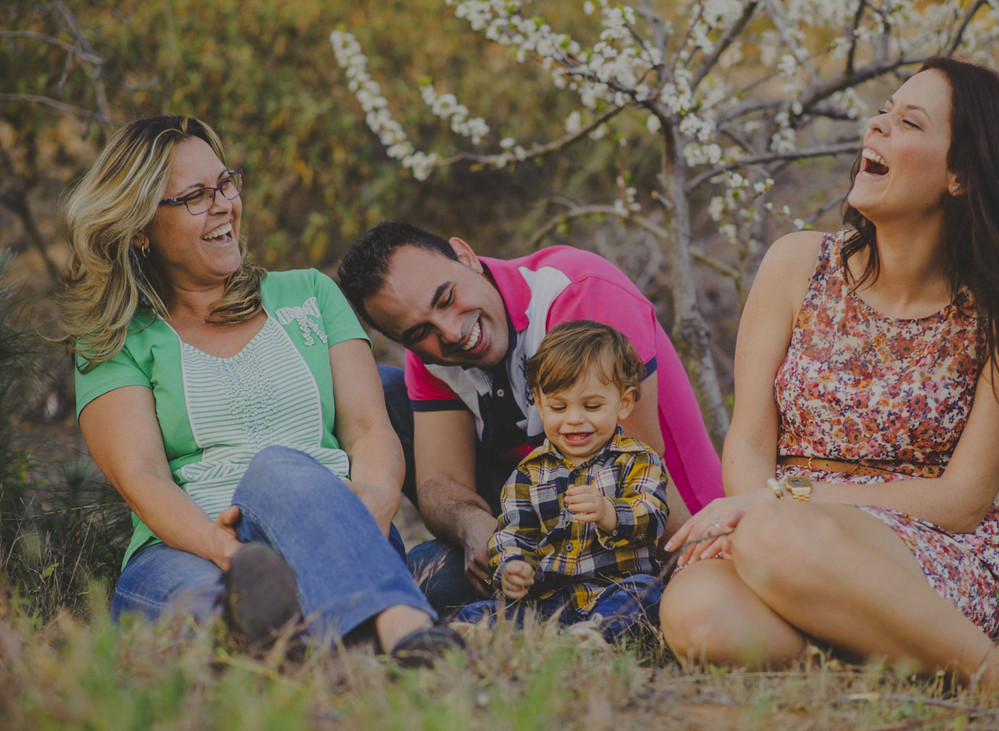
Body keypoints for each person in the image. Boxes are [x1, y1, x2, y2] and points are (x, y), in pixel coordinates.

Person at [658, 56, 999, 688]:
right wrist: (753, 513)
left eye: (909, 122)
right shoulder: (795, 265)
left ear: (960, 176)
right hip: (776, 528)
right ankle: (889, 661)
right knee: (699, 617)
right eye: (883, 111)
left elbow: (961, 501)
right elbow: (750, 440)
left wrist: (777, 504)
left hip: (923, 544)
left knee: (776, 538)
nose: (878, 125)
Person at [58, 116, 462, 665]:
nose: (224, 204)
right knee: (205, 611)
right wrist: (222, 548)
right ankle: (299, 637)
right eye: (196, 196)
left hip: (332, 525)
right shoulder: (115, 340)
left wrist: (369, 514)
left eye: (225, 183)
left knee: (277, 468)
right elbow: (142, 477)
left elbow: (370, 429)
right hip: (185, 547)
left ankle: (400, 625)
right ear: (139, 228)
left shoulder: (310, 294)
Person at [336, 222, 723, 613]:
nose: (451, 332)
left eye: (446, 298)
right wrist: (473, 525)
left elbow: (633, 478)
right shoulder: (432, 355)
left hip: (657, 532)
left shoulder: (577, 293)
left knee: (438, 586)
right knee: (425, 576)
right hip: (542, 517)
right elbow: (440, 480)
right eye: (420, 332)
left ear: (466, 257)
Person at [452, 321, 668, 641]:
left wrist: (609, 512)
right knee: (485, 609)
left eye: (591, 406)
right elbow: (514, 533)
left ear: (624, 402)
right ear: (540, 405)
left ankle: (594, 636)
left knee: (647, 593)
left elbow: (653, 517)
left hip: (614, 589)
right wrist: (513, 566)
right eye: (558, 406)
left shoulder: (637, 460)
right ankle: (481, 634)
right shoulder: (528, 473)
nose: (574, 419)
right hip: (549, 599)